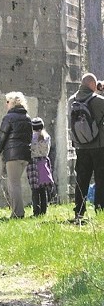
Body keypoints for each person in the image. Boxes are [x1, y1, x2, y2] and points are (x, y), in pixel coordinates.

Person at [67, 73, 104, 221]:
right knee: (101, 178)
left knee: (82, 179)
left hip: (80, 147)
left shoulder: (71, 100)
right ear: (93, 85)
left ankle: (79, 212)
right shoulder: (99, 101)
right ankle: (100, 208)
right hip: (99, 145)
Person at [0, 91, 32, 219]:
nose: (6, 104)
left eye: (7, 102)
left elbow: (2, 135)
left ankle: (18, 213)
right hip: (25, 155)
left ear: (13, 103)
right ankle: (18, 211)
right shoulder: (27, 118)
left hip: (13, 155)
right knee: (15, 183)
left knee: (13, 184)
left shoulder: (9, 118)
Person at [27, 117, 54, 216]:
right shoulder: (47, 136)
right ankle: (43, 211)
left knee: (35, 190)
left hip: (33, 163)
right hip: (43, 162)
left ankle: (36, 211)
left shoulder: (31, 137)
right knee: (43, 189)